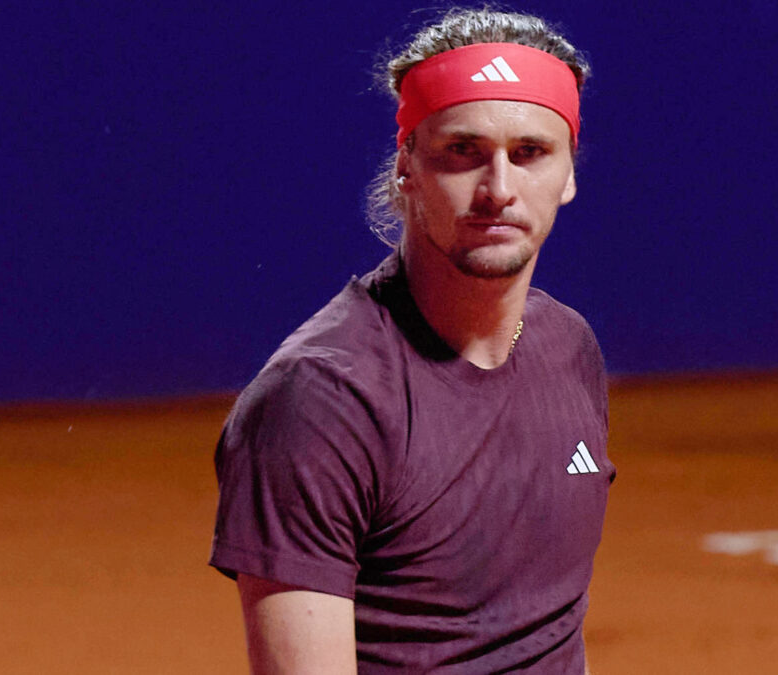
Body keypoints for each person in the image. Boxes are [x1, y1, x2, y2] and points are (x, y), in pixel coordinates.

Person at [209, 8, 614, 673]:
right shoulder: (322, 401)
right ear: (407, 166)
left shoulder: (567, 348)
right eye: (463, 151)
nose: (499, 189)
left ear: (568, 173)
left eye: (530, 153)